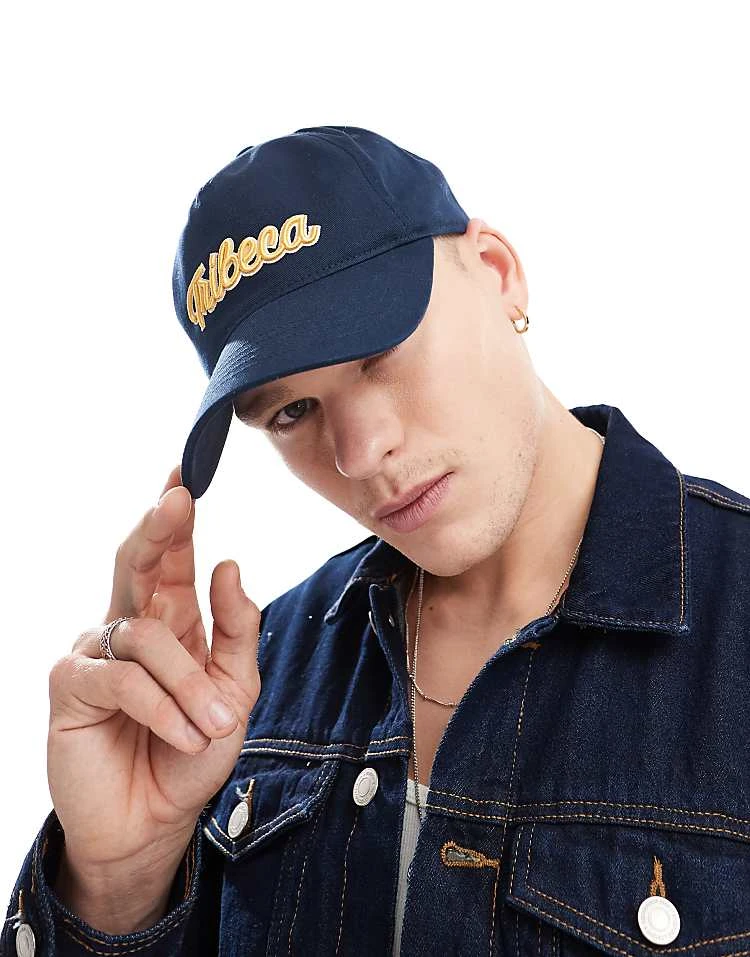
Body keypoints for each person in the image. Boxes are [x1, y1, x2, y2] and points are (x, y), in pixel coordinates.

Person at [3, 126, 750, 957]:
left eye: (379, 351)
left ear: (498, 272)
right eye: (292, 411)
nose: (359, 453)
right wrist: (117, 879)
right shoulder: (244, 692)